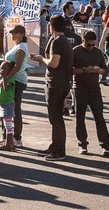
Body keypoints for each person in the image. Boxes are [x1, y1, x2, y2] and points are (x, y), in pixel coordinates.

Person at [29, 15, 73, 162]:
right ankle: (55, 146)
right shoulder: (59, 41)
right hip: (58, 83)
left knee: (56, 118)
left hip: (57, 83)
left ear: (52, 26)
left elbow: (54, 63)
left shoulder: (59, 42)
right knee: (54, 117)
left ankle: (59, 150)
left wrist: (41, 59)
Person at [72, 30, 109, 156]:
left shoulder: (97, 52)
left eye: (93, 44)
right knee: (80, 118)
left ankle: (105, 146)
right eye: (89, 45)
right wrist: (84, 70)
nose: (91, 47)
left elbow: (104, 69)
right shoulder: (76, 51)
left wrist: (100, 70)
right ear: (83, 41)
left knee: (99, 118)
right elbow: (70, 70)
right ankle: (82, 144)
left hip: (94, 89)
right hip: (80, 88)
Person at [1, 25, 28, 149]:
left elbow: (17, 66)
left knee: (14, 109)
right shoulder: (18, 46)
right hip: (12, 80)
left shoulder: (22, 46)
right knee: (6, 107)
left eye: (16, 33)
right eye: (12, 33)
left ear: (22, 34)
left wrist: (6, 78)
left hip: (17, 80)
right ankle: (7, 136)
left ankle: (17, 138)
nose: (13, 35)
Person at [0, 61, 17, 151]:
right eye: (1, 68)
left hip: (8, 104)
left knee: (8, 125)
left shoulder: (10, 79)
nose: (3, 70)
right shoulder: (6, 79)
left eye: (5, 69)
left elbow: (6, 88)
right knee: (6, 124)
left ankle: (9, 143)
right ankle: (10, 143)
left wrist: (4, 78)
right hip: (3, 103)